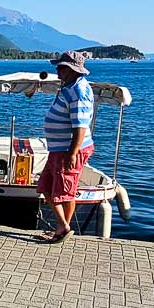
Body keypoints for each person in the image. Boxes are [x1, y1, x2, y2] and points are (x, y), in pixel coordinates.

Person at [38, 51, 94, 243]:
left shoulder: (78, 91)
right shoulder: (69, 87)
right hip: (58, 149)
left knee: (64, 191)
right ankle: (62, 227)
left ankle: (62, 229)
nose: (57, 70)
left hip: (68, 150)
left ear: (71, 70)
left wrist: (72, 153)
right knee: (45, 186)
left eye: (60, 67)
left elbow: (80, 125)